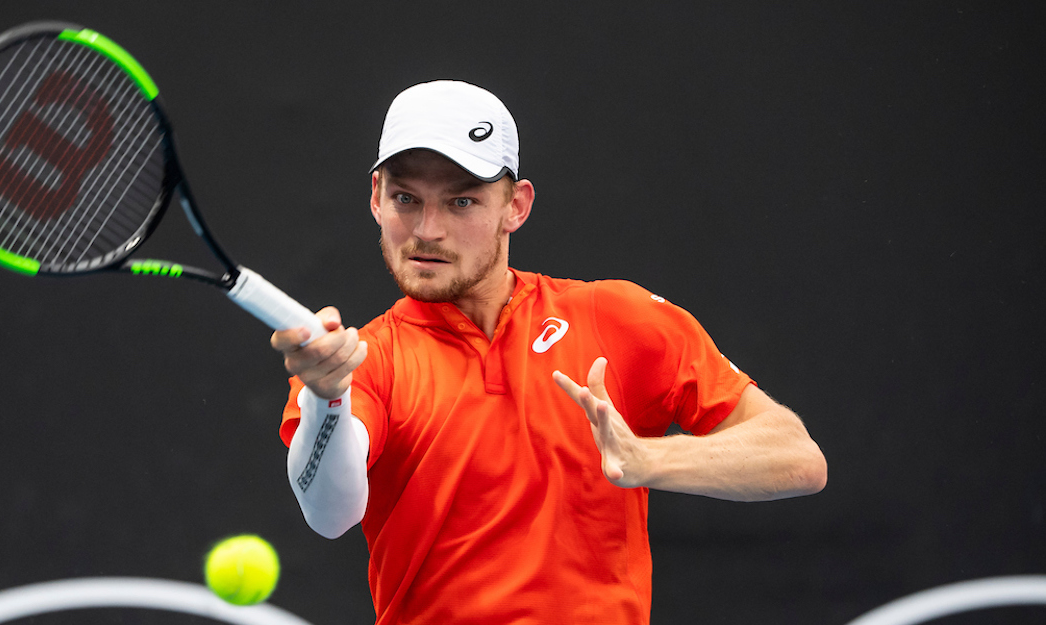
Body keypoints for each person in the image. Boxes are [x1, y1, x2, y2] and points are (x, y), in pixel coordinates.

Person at [270, 80, 827, 624]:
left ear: (516, 206)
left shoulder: (616, 317)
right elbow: (330, 514)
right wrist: (326, 398)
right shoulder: (360, 362)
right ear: (375, 198)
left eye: (461, 200)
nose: (427, 229)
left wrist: (650, 461)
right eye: (405, 199)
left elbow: (797, 457)